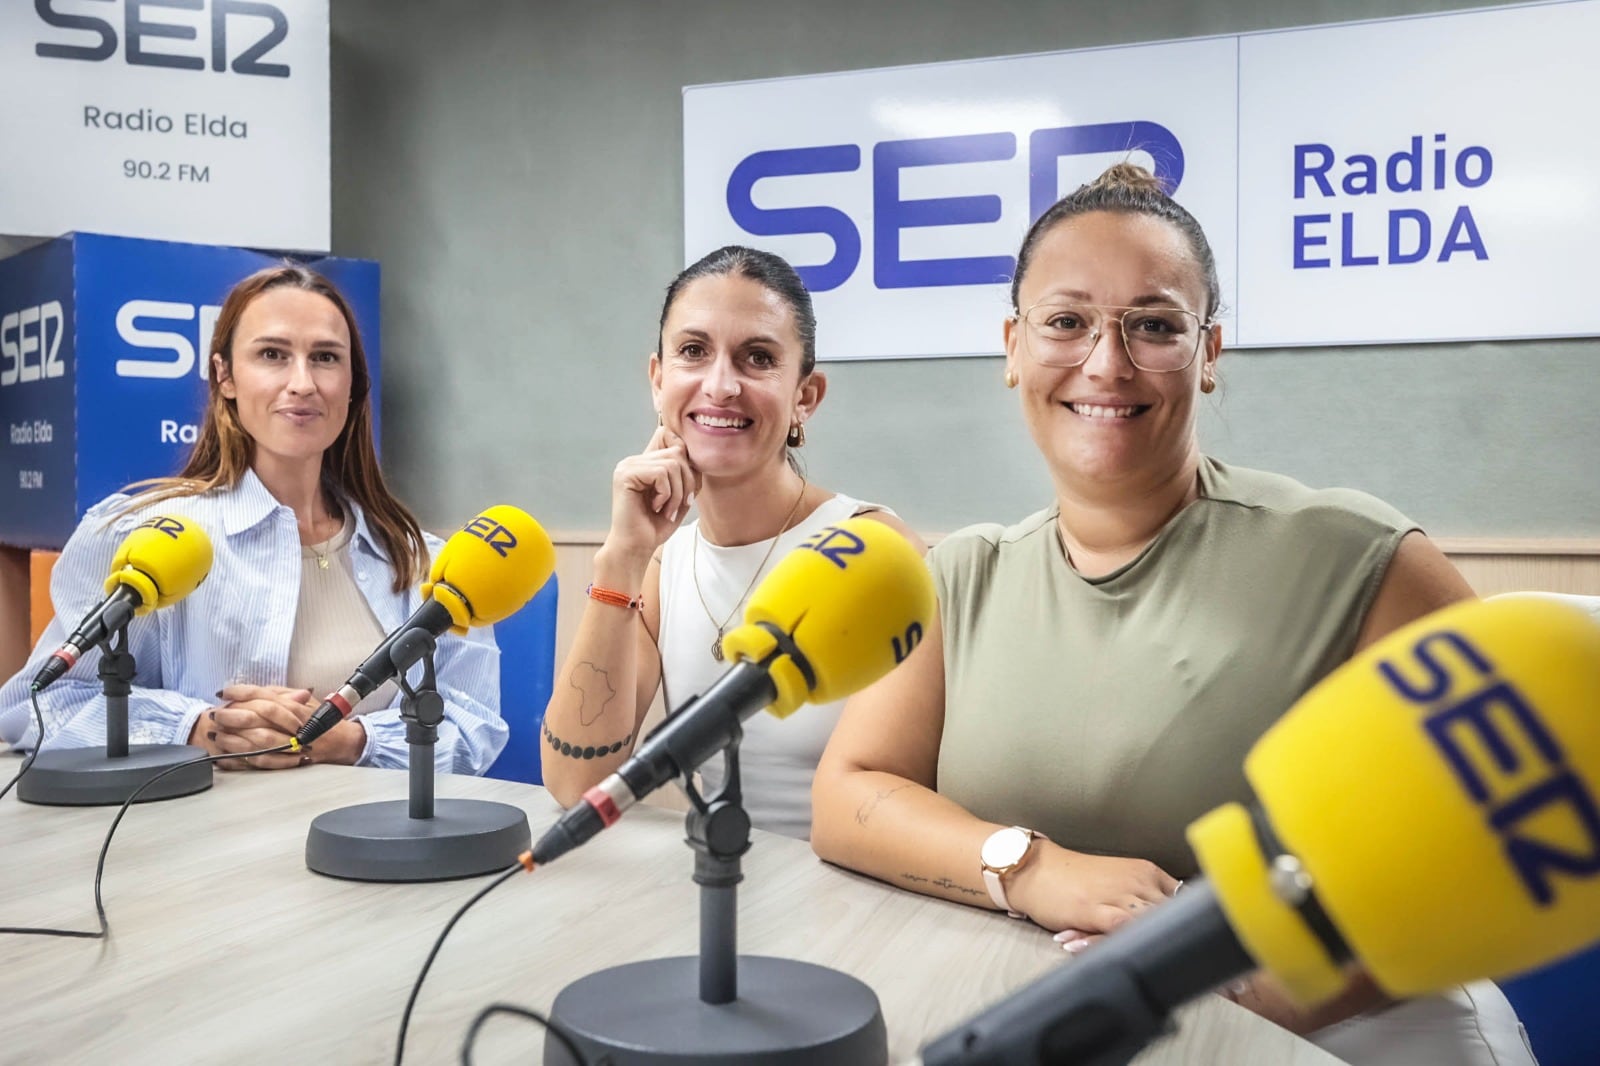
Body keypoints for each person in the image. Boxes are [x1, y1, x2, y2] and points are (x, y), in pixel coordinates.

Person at [810, 165, 1533, 1064]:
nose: (1105, 362)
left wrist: (1243, 987)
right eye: (1066, 321)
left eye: (1153, 325)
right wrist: (1033, 870)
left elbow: (1498, 842)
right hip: (1078, 1015)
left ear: (1211, 353)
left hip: (1347, 1028)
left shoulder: (1359, 559)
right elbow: (850, 796)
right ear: (1011, 347)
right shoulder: (961, 575)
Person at [0, 264, 503, 774]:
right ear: (225, 376)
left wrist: (347, 740)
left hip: (379, 843)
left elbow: (475, 730)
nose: (302, 383)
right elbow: (38, 706)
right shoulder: (142, 537)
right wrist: (197, 728)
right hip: (204, 842)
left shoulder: (426, 560)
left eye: (326, 358)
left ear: (353, 384)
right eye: (272, 355)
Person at [540, 246, 922, 839]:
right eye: (693, 352)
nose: (720, 386)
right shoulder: (661, 565)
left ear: (805, 396)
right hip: (708, 887)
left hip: (852, 896)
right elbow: (573, 783)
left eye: (758, 358)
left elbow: (893, 798)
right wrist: (621, 558)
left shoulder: (872, 548)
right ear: (658, 378)